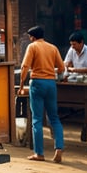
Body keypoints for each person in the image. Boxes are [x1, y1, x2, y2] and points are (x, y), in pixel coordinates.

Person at [18, 25, 65, 163]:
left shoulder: (32, 47)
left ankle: (39, 153)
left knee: (37, 119)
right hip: (51, 84)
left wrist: (21, 85)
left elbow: (24, 67)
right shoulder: (53, 47)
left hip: (37, 83)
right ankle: (59, 148)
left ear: (32, 37)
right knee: (54, 118)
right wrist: (51, 72)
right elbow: (62, 68)